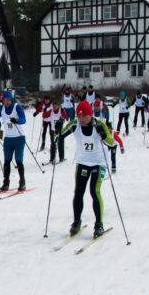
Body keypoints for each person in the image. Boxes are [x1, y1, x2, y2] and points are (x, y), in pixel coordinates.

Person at [57, 101, 115, 238]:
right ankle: (76, 221)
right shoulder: (74, 124)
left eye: (84, 116)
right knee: (78, 192)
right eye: (79, 116)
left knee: (94, 191)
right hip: (82, 162)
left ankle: (99, 224)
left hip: (98, 163)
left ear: (90, 115)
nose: (81, 119)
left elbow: (111, 143)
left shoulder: (99, 124)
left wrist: (104, 135)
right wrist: (58, 130)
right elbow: (58, 137)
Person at [0, 90, 26, 192]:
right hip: (8, 139)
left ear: (11, 99)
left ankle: (22, 182)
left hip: (19, 138)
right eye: (5, 100)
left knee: (19, 161)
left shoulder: (17, 107)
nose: (6, 102)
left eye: (8, 100)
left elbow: (24, 119)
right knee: (7, 161)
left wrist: (17, 120)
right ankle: (6, 183)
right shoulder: (1, 108)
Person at [44, 99, 68, 164]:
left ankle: (61, 158)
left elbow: (65, 116)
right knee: (53, 144)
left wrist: (63, 112)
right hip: (53, 130)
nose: (55, 107)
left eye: (56, 106)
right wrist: (45, 111)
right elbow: (44, 116)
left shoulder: (61, 110)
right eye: (54, 106)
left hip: (60, 130)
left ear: (58, 106)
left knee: (60, 143)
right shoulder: (51, 111)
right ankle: (52, 158)